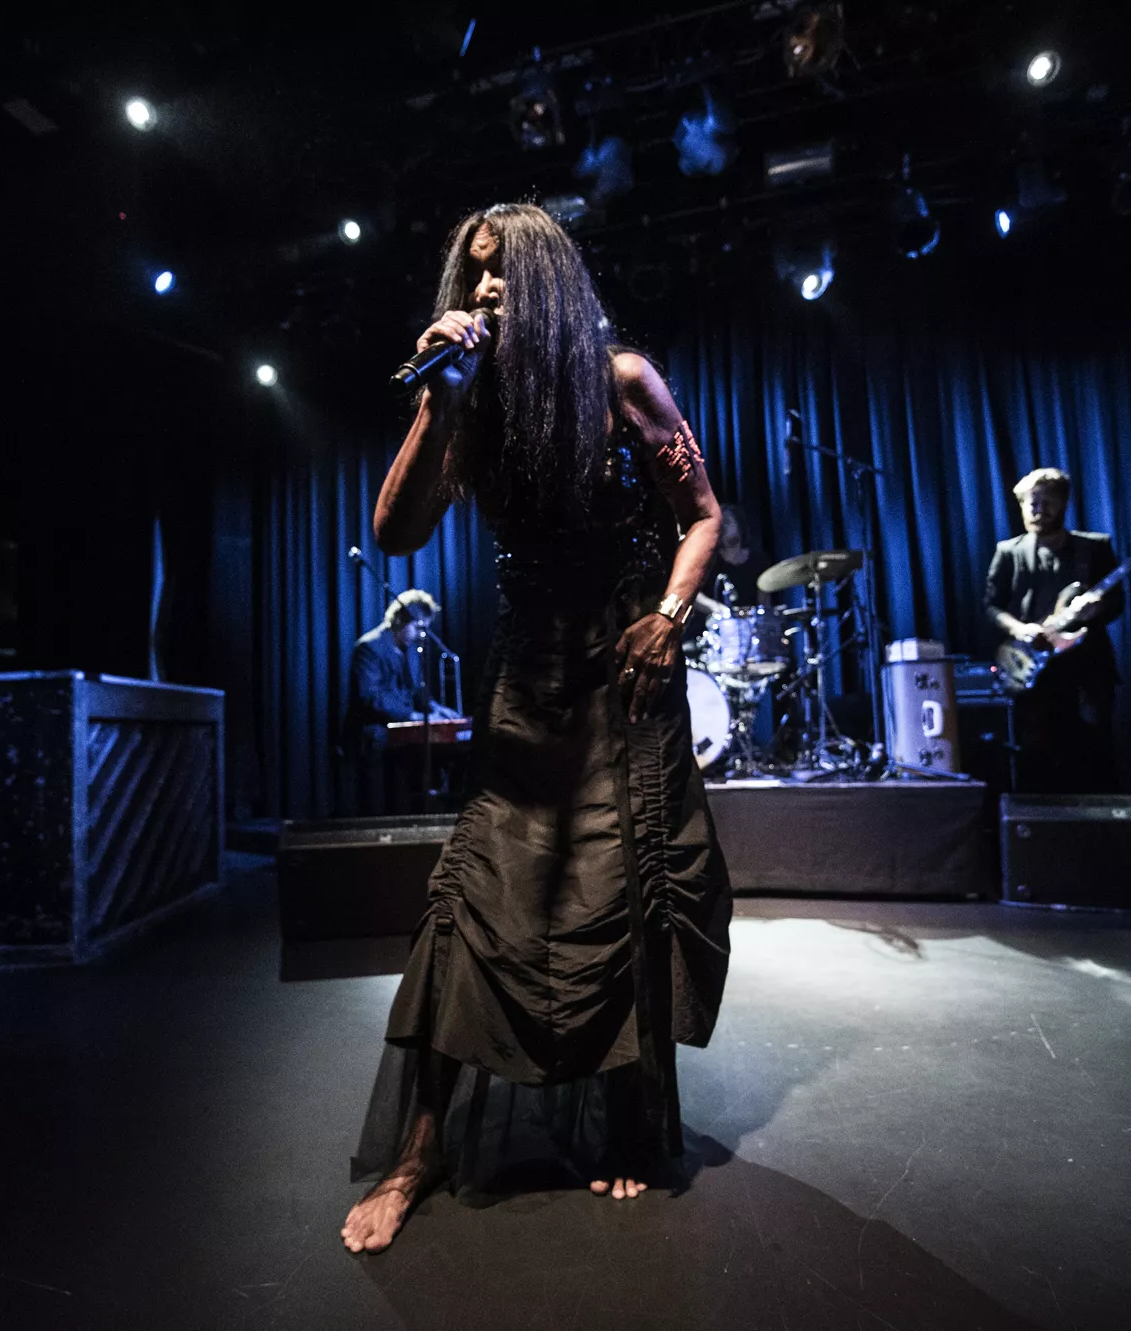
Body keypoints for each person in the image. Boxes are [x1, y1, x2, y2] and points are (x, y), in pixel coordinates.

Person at [340, 202, 732, 1254]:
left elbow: (702, 514)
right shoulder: (469, 400)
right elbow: (393, 531)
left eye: (504, 271)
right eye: (473, 274)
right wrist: (440, 400)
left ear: (547, 281)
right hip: (528, 679)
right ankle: (419, 1151)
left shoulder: (623, 381)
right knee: (474, 893)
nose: (483, 289)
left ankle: (626, 1118)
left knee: (628, 887)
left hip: (628, 666)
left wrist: (669, 614)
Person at [984, 467, 1123, 792]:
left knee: (1093, 751)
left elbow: (1117, 603)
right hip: (1033, 668)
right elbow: (991, 606)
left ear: (1063, 504)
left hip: (1088, 667)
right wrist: (1019, 629)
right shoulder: (1009, 551)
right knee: (1037, 755)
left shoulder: (1094, 548)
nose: (1038, 510)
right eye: (1031, 503)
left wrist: (1098, 608)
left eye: (1047, 502)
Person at [341, 589, 460, 814]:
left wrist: (437, 709)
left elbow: (417, 690)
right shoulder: (369, 647)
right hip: (374, 734)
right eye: (417, 627)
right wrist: (412, 716)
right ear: (399, 620)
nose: (420, 634)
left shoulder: (411, 650)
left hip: (403, 736)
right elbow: (371, 697)